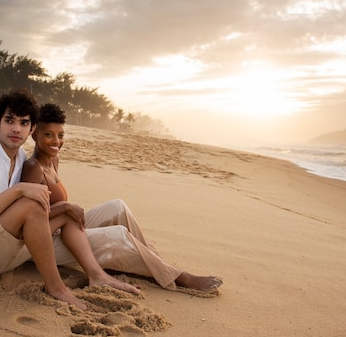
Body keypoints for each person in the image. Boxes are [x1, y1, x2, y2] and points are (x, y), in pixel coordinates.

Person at [0, 90, 139, 311]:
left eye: (23, 123)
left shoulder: (20, 158)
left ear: (31, 129)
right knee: (31, 203)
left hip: (2, 254)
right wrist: (20, 190)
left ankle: (96, 275)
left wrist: (59, 205)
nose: (16, 128)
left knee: (68, 211)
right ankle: (57, 288)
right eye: (9, 121)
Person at [21, 103, 223, 292]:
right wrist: (65, 208)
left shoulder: (53, 159)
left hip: (65, 229)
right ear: (34, 134)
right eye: (48, 134)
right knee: (118, 235)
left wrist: (65, 209)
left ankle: (158, 263)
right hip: (43, 242)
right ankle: (179, 277)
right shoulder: (33, 169)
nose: (56, 141)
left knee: (118, 207)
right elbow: (29, 219)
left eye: (60, 135)